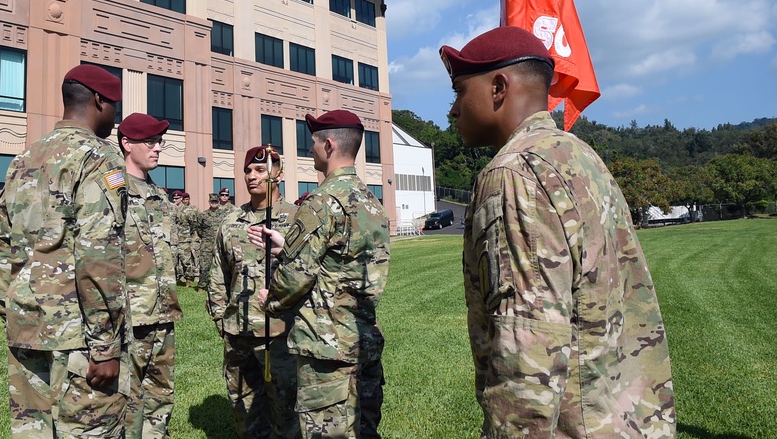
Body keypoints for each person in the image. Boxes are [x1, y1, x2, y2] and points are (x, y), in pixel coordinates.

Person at [438, 26, 676, 438]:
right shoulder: (580, 157)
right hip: (626, 419)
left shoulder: (513, 175)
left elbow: (528, 353)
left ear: (498, 87)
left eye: (460, 90)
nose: (453, 109)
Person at [0, 64, 130, 437]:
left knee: (33, 430)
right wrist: (106, 344)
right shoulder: (99, 157)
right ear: (100, 101)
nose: (116, 115)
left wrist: (7, 305)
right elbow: (99, 255)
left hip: (26, 323)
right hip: (77, 334)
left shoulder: (24, 159)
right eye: (115, 105)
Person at [251, 110, 390, 439]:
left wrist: (270, 300)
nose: (309, 149)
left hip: (327, 352)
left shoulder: (321, 202)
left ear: (328, 145)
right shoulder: (372, 203)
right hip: (363, 340)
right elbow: (345, 261)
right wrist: (288, 245)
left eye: (312, 142)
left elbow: (295, 277)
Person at [207, 146, 300, 439]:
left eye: (260, 170)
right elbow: (218, 275)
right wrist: (221, 319)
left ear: (279, 175)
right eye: (248, 170)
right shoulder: (231, 221)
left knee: (286, 413)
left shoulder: (297, 219)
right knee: (244, 411)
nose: (251, 176)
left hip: (280, 335)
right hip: (238, 333)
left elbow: (308, 274)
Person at [118, 113, 183, 439]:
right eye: (150, 141)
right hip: (129, 316)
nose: (157, 148)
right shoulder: (113, 188)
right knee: (127, 400)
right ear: (126, 143)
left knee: (160, 395)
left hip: (162, 312)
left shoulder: (159, 194)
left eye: (159, 142)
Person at [196, 193, 226, 290]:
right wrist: (206, 237)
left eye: (216, 201)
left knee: (222, 266)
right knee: (204, 266)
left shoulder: (224, 215)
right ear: (209, 202)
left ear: (219, 202)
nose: (214, 203)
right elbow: (198, 229)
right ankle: (202, 286)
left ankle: (220, 286)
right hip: (207, 244)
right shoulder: (203, 215)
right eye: (212, 201)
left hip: (220, 244)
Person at [177, 191, 199, 286]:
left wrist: (191, 235)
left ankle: (193, 277)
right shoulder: (177, 209)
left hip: (188, 237)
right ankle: (181, 276)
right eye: (183, 199)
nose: (185, 201)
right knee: (181, 259)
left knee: (191, 258)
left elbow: (194, 224)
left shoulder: (192, 210)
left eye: (187, 199)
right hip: (178, 238)